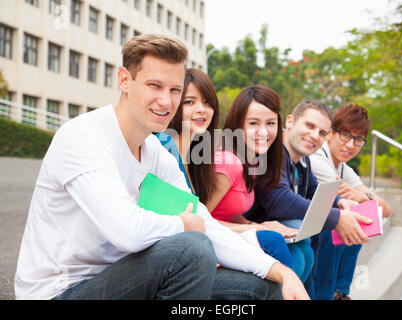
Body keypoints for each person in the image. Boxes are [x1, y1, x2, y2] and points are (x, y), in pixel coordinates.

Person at [14, 34, 308, 300]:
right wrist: (183, 225)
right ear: (125, 80)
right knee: (191, 249)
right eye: (154, 85)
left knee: (264, 288)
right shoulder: (85, 137)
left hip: (125, 279)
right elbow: (126, 231)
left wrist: (281, 271)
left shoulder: (155, 152)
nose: (166, 100)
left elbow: (205, 223)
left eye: (175, 90)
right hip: (61, 292)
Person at [157, 73, 297, 278]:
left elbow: (204, 216)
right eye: (189, 101)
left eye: (207, 102)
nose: (201, 109)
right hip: (179, 254)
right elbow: (200, 219)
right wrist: (253, 229)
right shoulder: (164, 148)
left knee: (299, 249)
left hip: (200, 243)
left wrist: (250, 226)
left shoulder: (200, 158)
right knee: (273, 245)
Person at [244, 100, 373, 298]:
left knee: (308, 250)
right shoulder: (273, 151)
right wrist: (335, 217)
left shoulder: (303, 159)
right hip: (251, 229)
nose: (314, 136)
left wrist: (340, 202)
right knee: (305, 248)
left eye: (322, 132)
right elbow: (279, 199)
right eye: (309, 126)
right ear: (290, 121)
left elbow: (314, 189)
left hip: (282, 231)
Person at [204, 85, 312, 281]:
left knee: (304, 250)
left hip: (228, 232)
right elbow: (200, 218)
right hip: (209, 241)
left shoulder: (253, 160)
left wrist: (255, 224)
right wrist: (254, 229)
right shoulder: (228, 162)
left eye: (270, 123)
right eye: (253, 123)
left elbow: (227, 211)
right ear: (238, 125)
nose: (264, 132)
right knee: (288, 252)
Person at [309, 104, 391, 300]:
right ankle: (326, 295)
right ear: (330, 133)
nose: (350, 144)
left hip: (317, 224)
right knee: (342, 219)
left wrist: (363, 196)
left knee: (361, 214)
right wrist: (360, 198)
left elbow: (386, 210)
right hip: (300, 222)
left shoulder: (342, 167)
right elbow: (345, 199)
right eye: (345, 135)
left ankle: (340, 292)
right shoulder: (318, 160)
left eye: (358, 139)